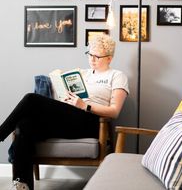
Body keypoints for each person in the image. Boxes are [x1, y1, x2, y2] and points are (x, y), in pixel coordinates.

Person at [0, 35, 129, 190]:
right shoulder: (82, 73)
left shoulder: (117, 76)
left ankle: (1, 134)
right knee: (25, 124)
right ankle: (22, 184)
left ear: (109, 58)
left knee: (31, 99)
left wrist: (85, 105)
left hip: (92, 121)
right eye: (90, 54)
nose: (92, 60)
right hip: (68, 119)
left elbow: (114, 111)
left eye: (97, 56)